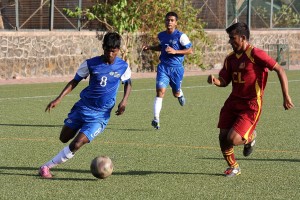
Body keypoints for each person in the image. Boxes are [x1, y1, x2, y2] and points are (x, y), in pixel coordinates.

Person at [38, 32, 132, 178]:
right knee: (63, 138)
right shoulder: (91, 64)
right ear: (103, 47)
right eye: (107, 50)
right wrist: (59, 98)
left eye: (113, 51)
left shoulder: (123, 66)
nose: (110, 53)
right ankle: (68, 142)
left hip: (100, 115)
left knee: (76, 144)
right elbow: (74, 81)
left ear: (118, 50)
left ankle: (46, 167)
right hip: (83, 108)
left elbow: (128, 84)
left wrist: (124, 101)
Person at [207, 22, 294, 177]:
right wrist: (215, 81)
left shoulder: (256, 54)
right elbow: (224, 81)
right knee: (223, 136)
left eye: (233, 38)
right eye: (229, 38)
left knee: (233, 139)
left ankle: (251, 136)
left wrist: (286, 96)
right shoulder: (230, 59)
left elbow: (279, 69)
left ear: (243, 38)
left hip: (251, 104)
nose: (230, 42)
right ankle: (234, 167)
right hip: (233, 102)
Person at [142, 11, 193, 130]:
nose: (169, 22)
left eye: (172, 20)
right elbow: (161, 47)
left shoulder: (181, 36)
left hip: (176, 69)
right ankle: (156, 119)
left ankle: (180, 93)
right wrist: (150, 47)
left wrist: (176, 52)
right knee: (160, 91)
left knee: (175, 93)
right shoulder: (161, 35)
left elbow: (190, 50)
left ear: (176, 23)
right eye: (167, 20)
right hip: (163, 67)